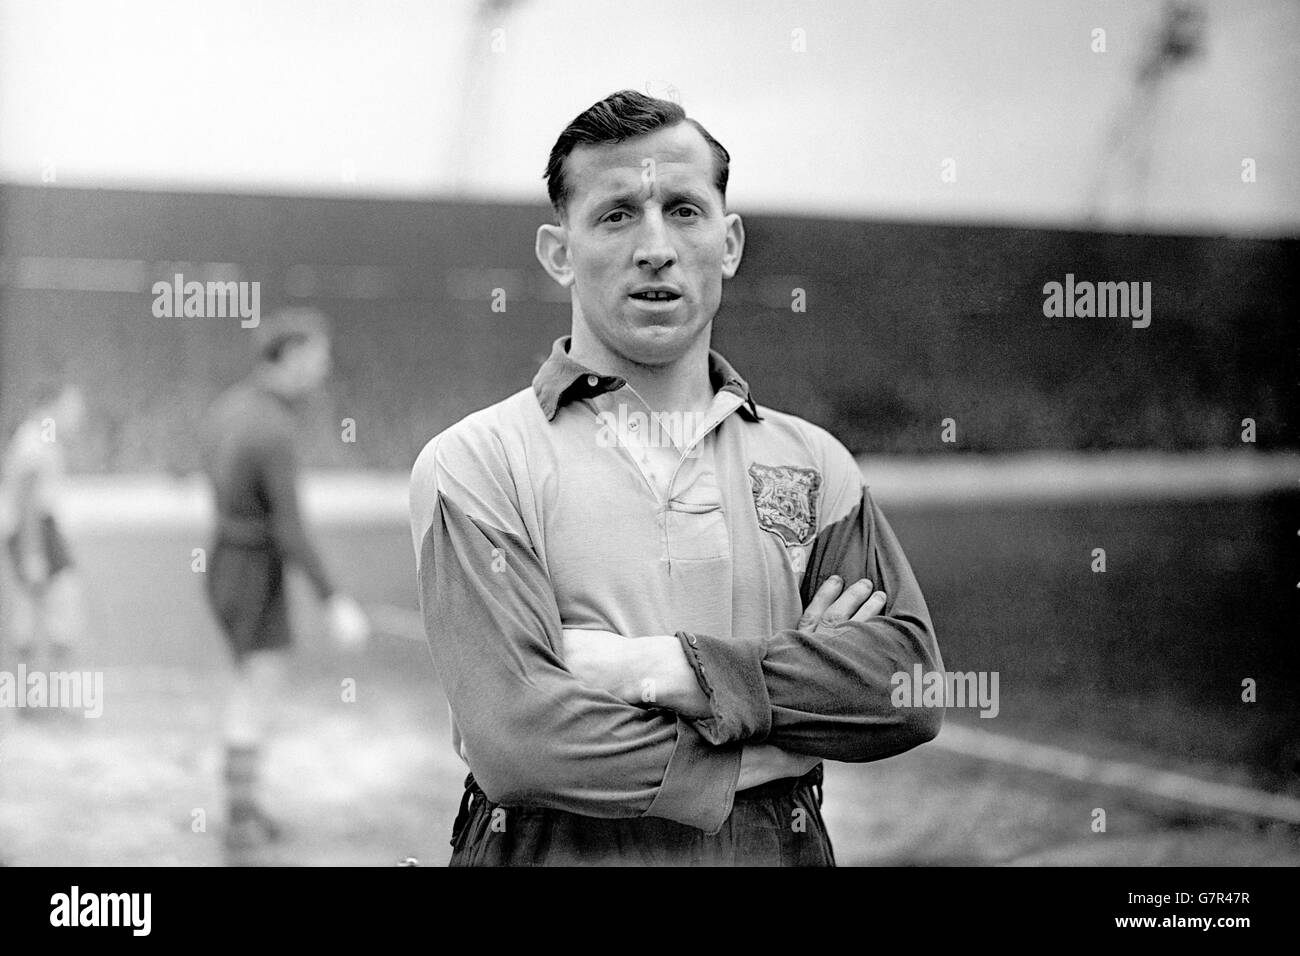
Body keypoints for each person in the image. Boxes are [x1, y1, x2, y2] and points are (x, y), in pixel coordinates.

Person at [409, 90, 944, 866]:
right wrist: (786, 719)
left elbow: (910, 691)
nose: (655, 246)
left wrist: (665, 670)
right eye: (617, 214)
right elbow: (521, 743)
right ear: (559, 251)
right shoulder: (478, 462)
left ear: (728, 243)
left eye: (684, 211)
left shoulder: (814, 463)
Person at [200, 307, 370, 852]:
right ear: (292, 357)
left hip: (225, 564)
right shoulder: (273, 428)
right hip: (252, 573)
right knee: (258, 690)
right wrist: (334, 599)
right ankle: (241, 817)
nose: (322, 369)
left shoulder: (228, 408)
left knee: (247, 682)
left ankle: (242, 809)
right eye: (318, 358)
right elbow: (289, 527)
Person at [0, 381, 88, 681]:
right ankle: (44, 697)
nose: (78, 416)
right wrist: (32, 553)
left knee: (33, 614)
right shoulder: (34, 441)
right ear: (53, 405)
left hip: (36, 533)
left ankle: (34, 698)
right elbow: (27, 503)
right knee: (58, 611)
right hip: (36, 534)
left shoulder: (40, 438)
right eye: (73, 407)